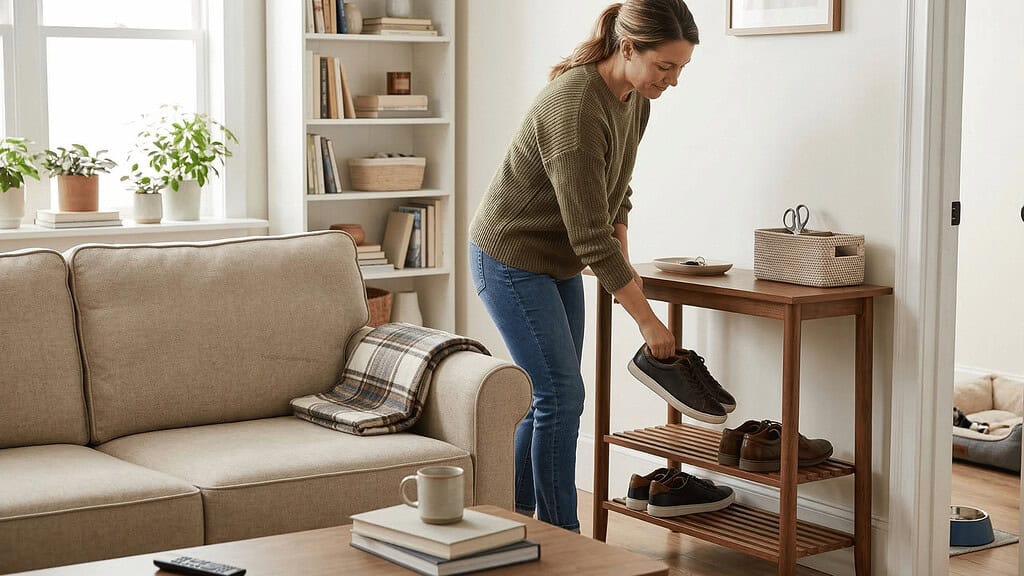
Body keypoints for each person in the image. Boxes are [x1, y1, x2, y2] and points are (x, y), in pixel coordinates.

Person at [468, 0, 700, 532]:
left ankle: (512, 519)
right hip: (510, 256)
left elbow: (615, 192)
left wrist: (624, 254)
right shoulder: (574, 106)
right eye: (664, 66)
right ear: (627, 48)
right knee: (561, 395)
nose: (673, 80)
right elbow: (588, 234)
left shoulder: (635, 99)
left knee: (548, 396)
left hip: (560, 261)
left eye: (681, 68)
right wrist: (647, 318)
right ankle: (565, 539)